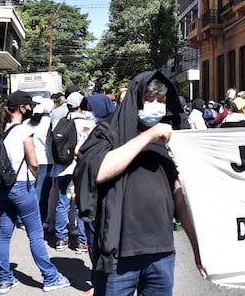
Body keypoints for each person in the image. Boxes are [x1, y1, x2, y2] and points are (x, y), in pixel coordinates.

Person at [74, 70, 205, 296]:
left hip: (162, 252)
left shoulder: (169, 139)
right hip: (119, 254)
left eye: (161, 100)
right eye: (150, 99)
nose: (156, 105)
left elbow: (178, 196)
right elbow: (99, 171)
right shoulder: (108, 131)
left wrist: (197, 248)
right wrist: (148, 136)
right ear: (136, 100)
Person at [0, 90, 70, 294]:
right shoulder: (23, 131)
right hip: (21, 186)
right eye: (29, 106)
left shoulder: (1, 129)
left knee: (4, 233)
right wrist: (35, 176)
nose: (31, 110)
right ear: (22, 108)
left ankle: (4, 279)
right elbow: (33, 162)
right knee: (35, 234)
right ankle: (50, 277)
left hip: (3, 187)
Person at [51, 92, 92, 254]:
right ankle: (82, 242)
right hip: (80, 169)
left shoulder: (60, 123)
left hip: (62, 168)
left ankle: (61, 239)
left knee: (62, 203)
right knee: (81, 206)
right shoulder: (88, 124)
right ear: (82, 106)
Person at [25, 96, 55, 230]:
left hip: (30, 159)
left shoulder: (27, 123)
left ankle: (29, 218)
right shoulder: (50, 122)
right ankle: (43, 218)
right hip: (47, 160)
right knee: (46, 192)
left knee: (33, 190)